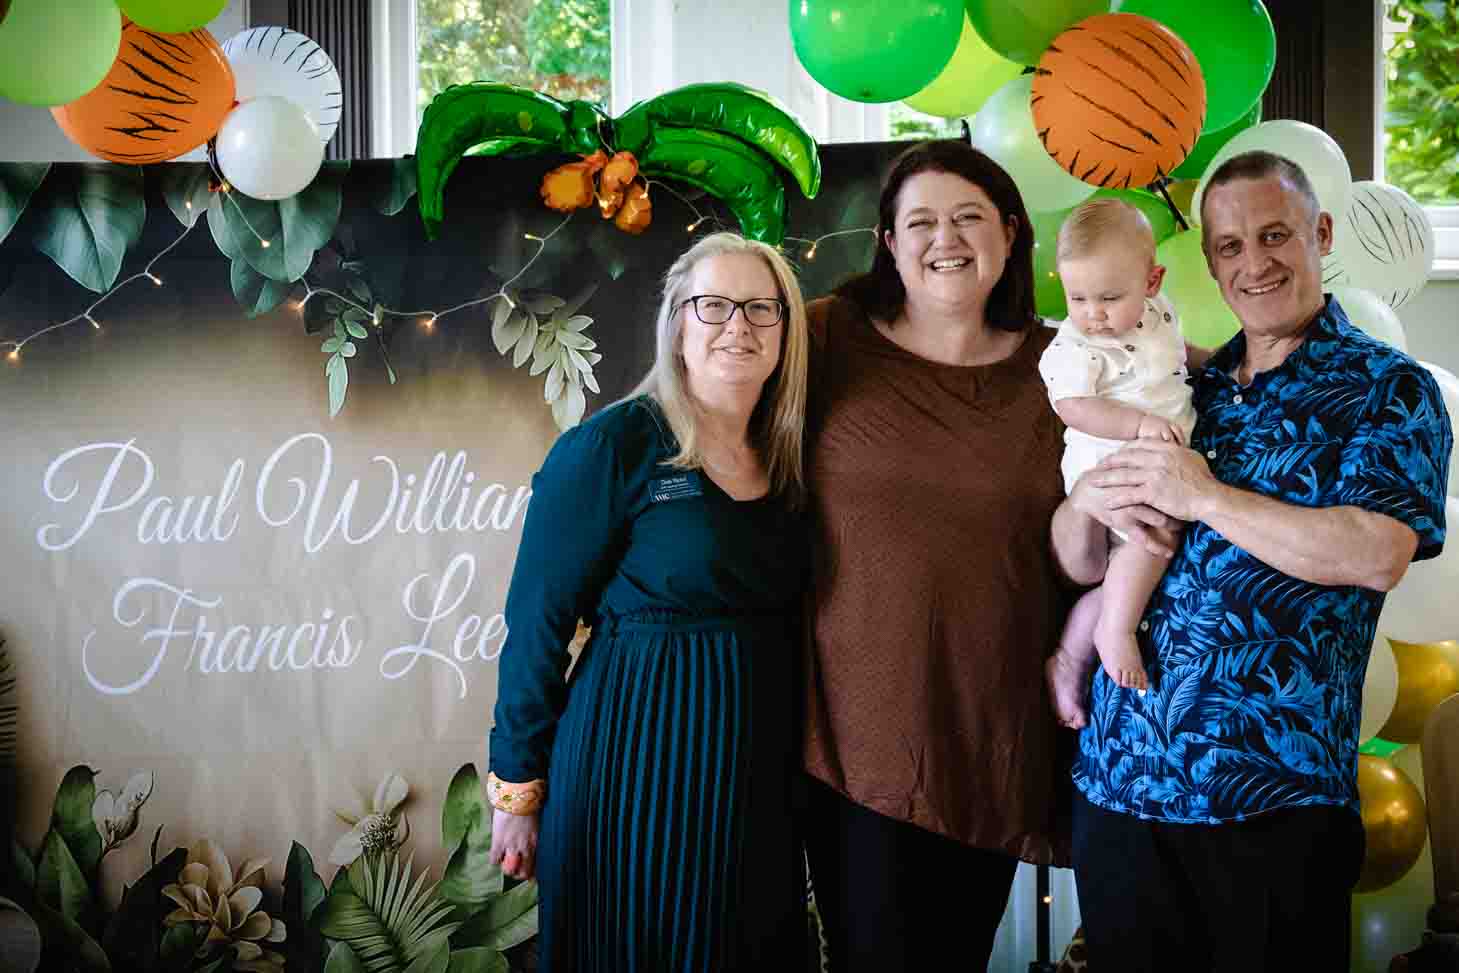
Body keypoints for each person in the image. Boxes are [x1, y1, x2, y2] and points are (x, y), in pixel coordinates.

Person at [1059, 150, 1453, 971]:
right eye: (1229, 246)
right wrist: (1083, 502)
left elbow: (1376, 553)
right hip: (1121, 784)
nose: (1254, 262)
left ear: (1320, 233)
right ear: (1208, 262)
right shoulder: (1180, 384)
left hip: (1273, 801)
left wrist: (1205, 497)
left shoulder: (1386, 389)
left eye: (1274, 235)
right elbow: (1076, 560)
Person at [485, 231, 812, 972]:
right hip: (630, 759)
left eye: (760, 308)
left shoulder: (793, 454)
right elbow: (536, 622)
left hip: (754, 772)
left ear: (785, 328)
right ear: (676, 323)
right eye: (713, 306)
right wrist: (517, 791)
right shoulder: (614, 446)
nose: (738, 326)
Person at [802, 139, 1085, 971]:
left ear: (1009, 232)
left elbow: (1169, 383)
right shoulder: (825, 337)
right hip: (849, 733)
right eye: (920, 221)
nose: (944, 238)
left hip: (991, 731)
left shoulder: (1066, 364)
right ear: (888, 243)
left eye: (967, 217)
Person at [1040, 197, 1198, 726]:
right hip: (1111, 463)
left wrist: (1217, 361)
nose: (1093, 314)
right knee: (1152, 539)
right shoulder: (1076, 346)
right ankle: (1115, 630)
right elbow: (1073, 406)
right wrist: (1138, 425)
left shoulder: (1158, 314)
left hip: (1151, 457)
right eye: (1077, 297)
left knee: (1129, 577)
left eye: (1109, 297)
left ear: (1152, 282)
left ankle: (1070, 657)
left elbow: (1175, 354)